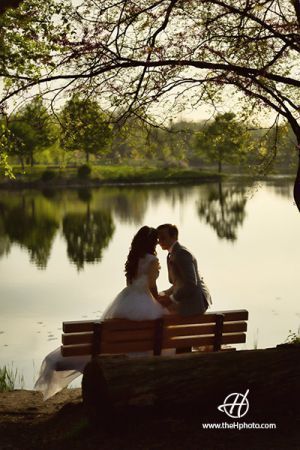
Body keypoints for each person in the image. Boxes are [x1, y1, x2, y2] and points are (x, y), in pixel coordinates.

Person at [35, 226, 170, 400]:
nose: (158, 243)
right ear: (152, 242)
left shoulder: (133, 258)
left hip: (127, 300)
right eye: (156, 240)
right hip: (143, 301)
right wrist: (159, 301)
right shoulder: (152, 260)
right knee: (157, 330)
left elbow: (131, 282)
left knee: (119, 336)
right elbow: (152, 287)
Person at [156, 224, 212, 316]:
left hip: (193, 305)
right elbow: (179, 283)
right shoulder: (174, 253)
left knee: (156, 313)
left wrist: (171, 299)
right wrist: (163, 293)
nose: (159, 241)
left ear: (174, 236)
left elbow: (191, 283)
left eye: (163, 237)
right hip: (190, 302)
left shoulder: (181, 253)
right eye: (158, 238)